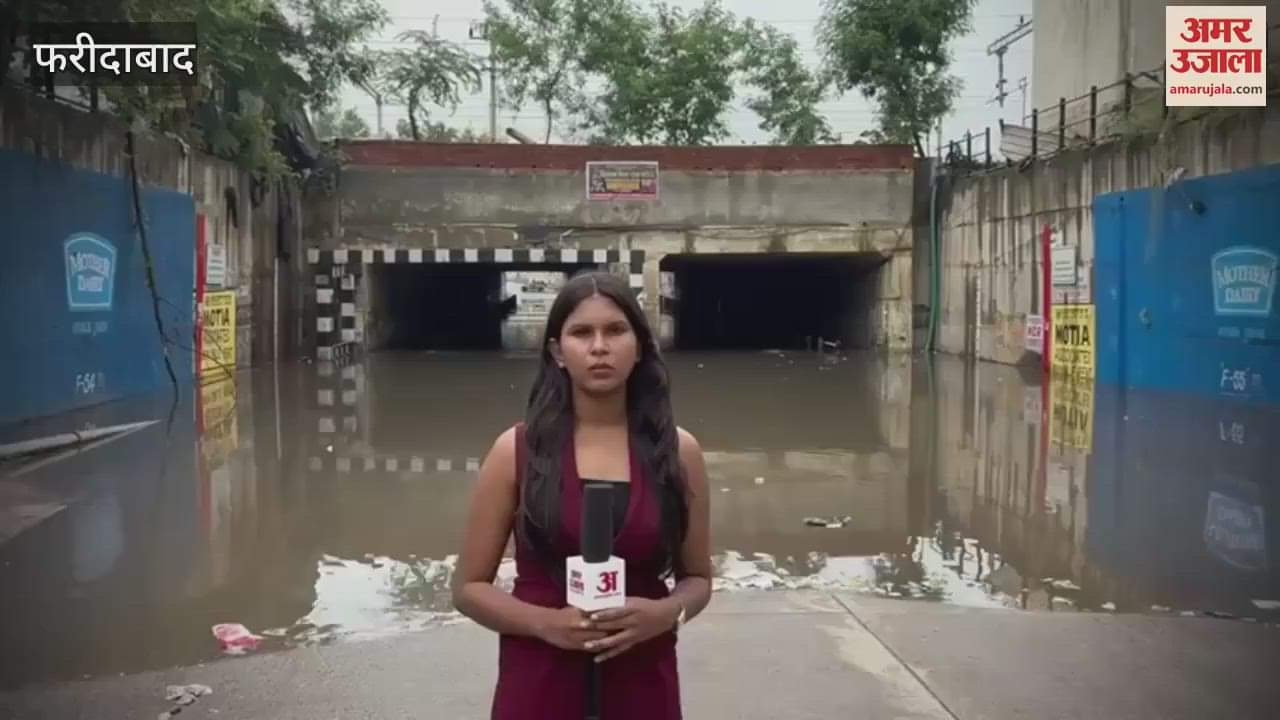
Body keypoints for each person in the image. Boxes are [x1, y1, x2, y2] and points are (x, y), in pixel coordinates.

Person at [453, 270, 712, 720]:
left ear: (639, 346)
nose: (598, 347)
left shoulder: (679, 452)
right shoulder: (515, 451)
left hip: (642, 681)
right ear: (557, 351)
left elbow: (699, 580)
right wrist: (546, 624)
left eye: (615, 331)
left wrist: (665, 613)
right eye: (581, 333)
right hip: (538, 683)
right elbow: (468, 588)